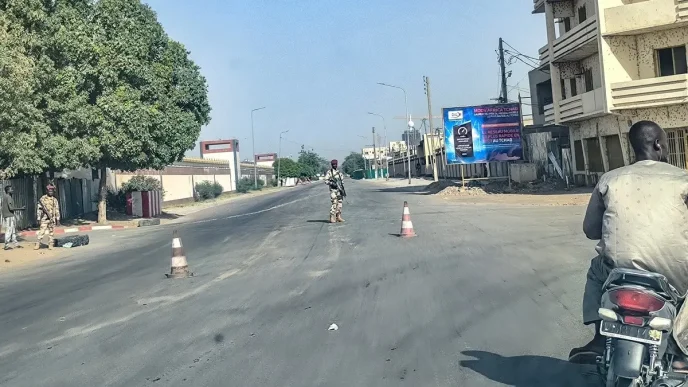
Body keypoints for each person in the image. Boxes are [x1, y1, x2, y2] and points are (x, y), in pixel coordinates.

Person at [569, 120, 688, 370]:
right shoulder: (683, 179)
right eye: (664, 144)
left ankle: (600, 340)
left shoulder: (610, 179)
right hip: (674, 274)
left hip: (618, 271)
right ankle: (679, 352)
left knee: (595, 270)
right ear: (658, 144)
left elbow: (590, 230)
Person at [35, 184, 60, 250]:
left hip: (52, 218)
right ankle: (38, 244)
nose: (51, 192)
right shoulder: (43, 199)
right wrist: (38, 218)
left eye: (52, 191)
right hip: (44, 218)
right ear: (47, 191)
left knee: (51, 233)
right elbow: (39, 209)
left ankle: (50, 245)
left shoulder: (55, 200)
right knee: (42, 231)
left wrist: (58, 219)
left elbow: (57, 209)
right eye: (49, 191)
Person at [2, 185, 25, 250]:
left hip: (9, 216)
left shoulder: (6, 197)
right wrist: (21, 208)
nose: (12, 190)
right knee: (9, 230)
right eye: (11, 189)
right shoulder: (8, 197)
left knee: (13, 230)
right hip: (9, 216)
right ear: (8, 191)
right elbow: (11, 208)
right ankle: (6, 245)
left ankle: (15, 243)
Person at [325, 159, 345, 223]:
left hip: (339, 190)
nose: (335, 165)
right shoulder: (329, 172)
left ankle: (338, 216)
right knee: (334, 203)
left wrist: (342, 190)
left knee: (340, 203)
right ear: (331, 165)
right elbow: (326, 181)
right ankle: (331, 217)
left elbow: (342, 182)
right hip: (333, 190)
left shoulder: (339, 172)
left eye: (336, 164)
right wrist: (332, 183)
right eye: (333, 164)